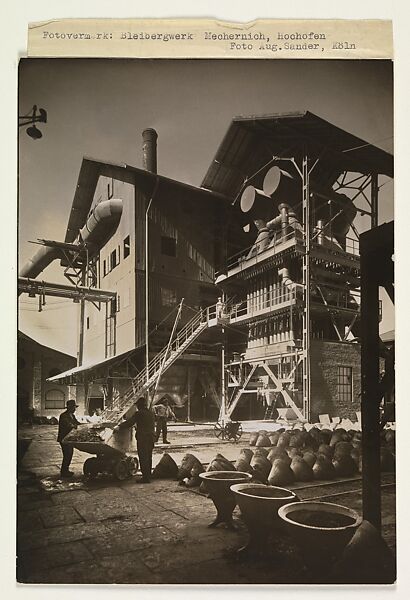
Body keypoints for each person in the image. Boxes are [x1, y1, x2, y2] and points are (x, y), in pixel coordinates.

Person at [115, 397, 155, 483]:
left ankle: (145, 478)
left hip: (143, 438)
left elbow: (130, 422)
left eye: (137, 406)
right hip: (151, 437)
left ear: (139, 406)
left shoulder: (139, 413)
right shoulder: (150, 413)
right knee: (149, 457)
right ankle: (148, 476)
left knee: (143, 457)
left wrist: (119, 426)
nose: (137, 407)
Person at [57, 399, 81, 479]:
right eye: (73, 407)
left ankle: (65, 470)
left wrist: (86, 425)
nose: (74, 409)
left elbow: (77, 423)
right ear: (69, 408)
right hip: (64, 439)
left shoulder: (72, 415)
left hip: (69, 438)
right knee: (67, 454)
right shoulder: (63, 415)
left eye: (75, 407)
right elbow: (68, 425)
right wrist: (74, 426)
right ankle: (64, 472)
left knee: (69, 454)